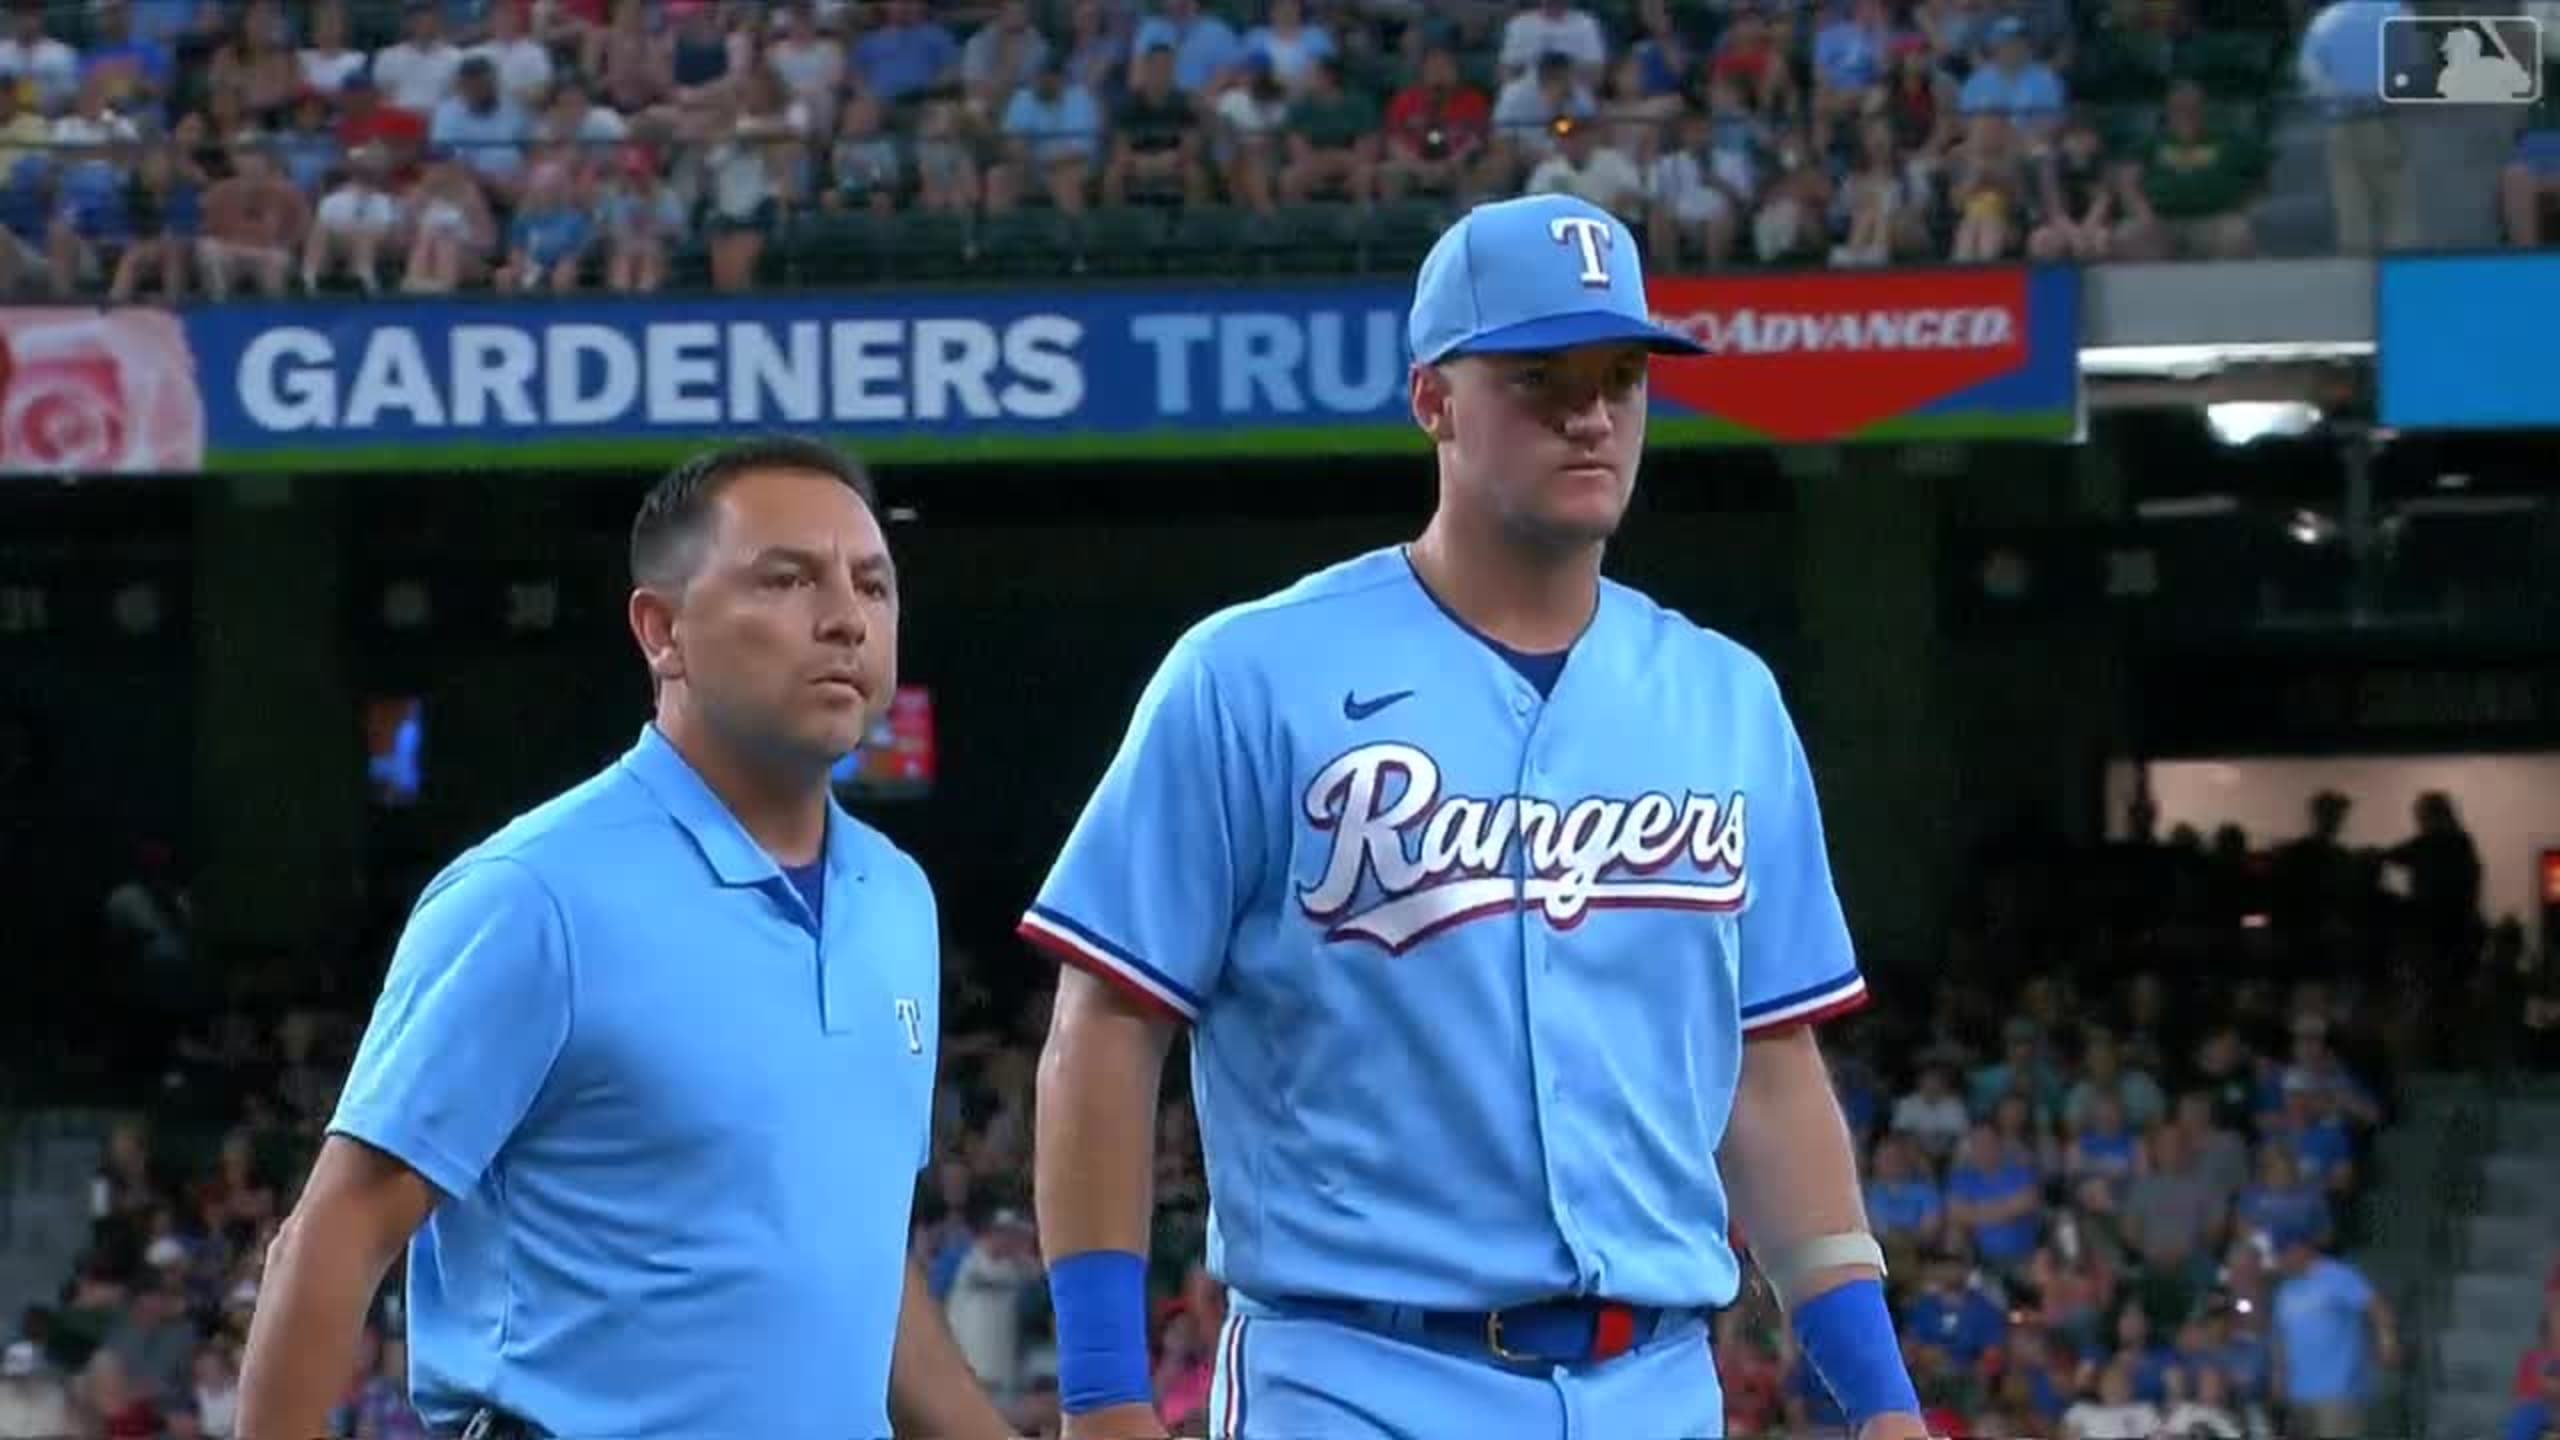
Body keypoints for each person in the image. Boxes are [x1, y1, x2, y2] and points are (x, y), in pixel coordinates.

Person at [1022, 193, 1927, 1440]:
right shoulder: (1251, 674)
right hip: (1351, 1377)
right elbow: (1106, 1030)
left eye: (1621, 375)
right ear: (1433, 400)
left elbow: (1768, 1071)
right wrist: (1104, 1399)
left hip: (1657, 1386)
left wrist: (1879, 1399)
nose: (1591, 412)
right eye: (1537, 377)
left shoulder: (1726, 699)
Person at [236, 437, 1011, 1440]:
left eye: (873, 586)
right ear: (662, 631)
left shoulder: (897, 898)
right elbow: (332, 1242)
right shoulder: (533, 897)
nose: (843, 619)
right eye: (787, 579)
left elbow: (857, 1260)